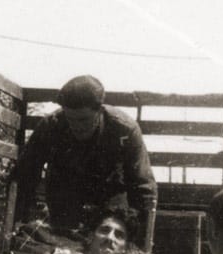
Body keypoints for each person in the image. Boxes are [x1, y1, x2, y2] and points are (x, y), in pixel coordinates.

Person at [12, 75, 157, 235]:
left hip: (110, 196)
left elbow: (143, 185)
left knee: (107, 242)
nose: (77, 126)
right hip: (65, 196)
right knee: (65, 248)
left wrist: (140, 238)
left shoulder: (125, 130)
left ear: (100, 110)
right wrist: (16, 223)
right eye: (70, 119)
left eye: (84, 119)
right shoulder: (51, 126)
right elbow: (25, 175)